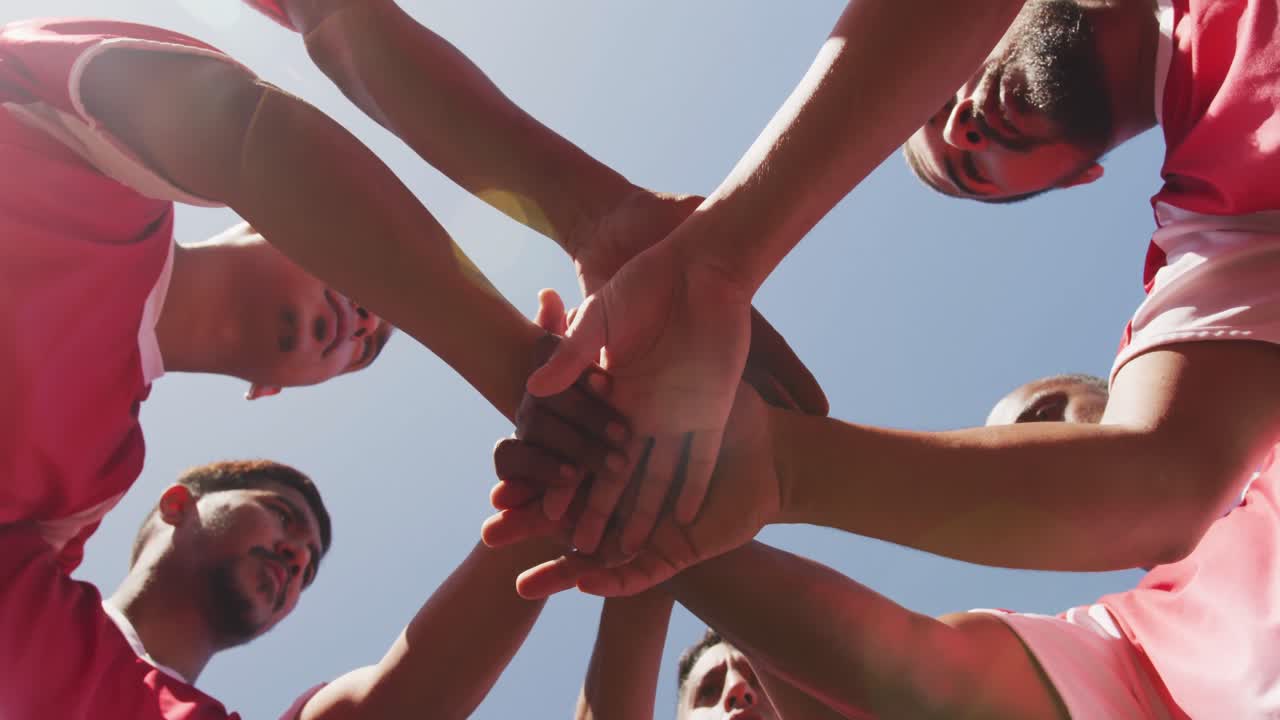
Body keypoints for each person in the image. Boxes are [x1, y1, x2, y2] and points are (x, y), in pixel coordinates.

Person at [518, 371, 1280, 718]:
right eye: (711, 696)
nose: (742, 693)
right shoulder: (1127, 645)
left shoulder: (1132, 638)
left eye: (1044, 417)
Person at [0, 457, 566, 719]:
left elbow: (401, 704)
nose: (297, 557)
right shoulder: (20, 576)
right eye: (280, 515)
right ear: (178, 504)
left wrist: (562, 484)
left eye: (311, 568)